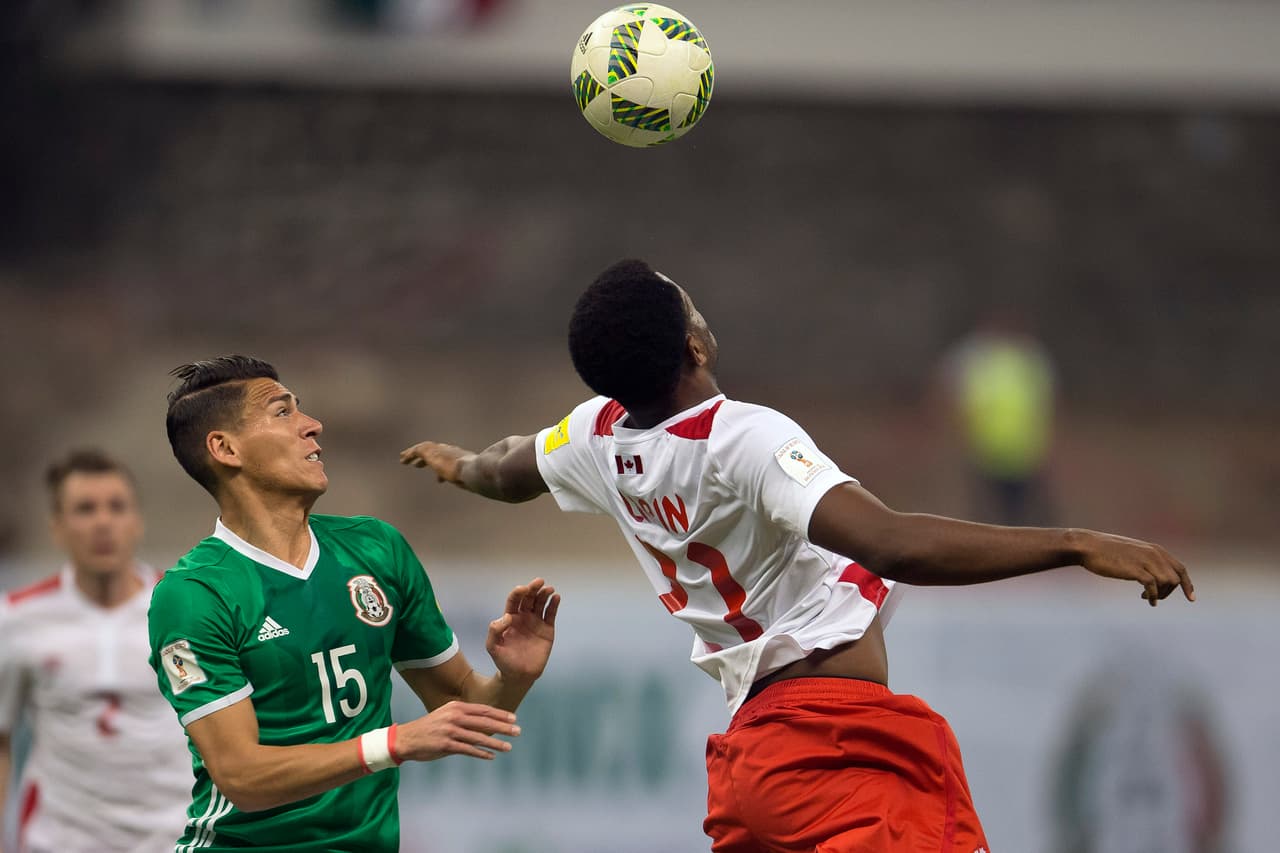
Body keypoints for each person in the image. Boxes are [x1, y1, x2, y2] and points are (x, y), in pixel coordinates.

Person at [399, 259, 1195, 853]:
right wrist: (1077, 541)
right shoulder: (741, 438)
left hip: (753, 764)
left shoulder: (596, 436)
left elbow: (508, 469)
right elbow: (889, 540)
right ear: (695, 346)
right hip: (837, 749)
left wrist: (459, 464)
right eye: (693, 306)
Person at [152, 355, 558, 852]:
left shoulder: (376, 549)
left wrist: (514, 677)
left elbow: (462, 711)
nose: (312, 425)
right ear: (225, 448)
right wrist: (392, 743)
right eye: (282, 412)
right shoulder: (195, 594)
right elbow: (241, 776)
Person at [0, 449, 190, 853]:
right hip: (59, 842)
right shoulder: (16, 618)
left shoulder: (182, 611)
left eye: (116, 507)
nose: (103, 522)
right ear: (57, 526)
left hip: (172, 838)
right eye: (85, 509)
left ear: (137, 521)